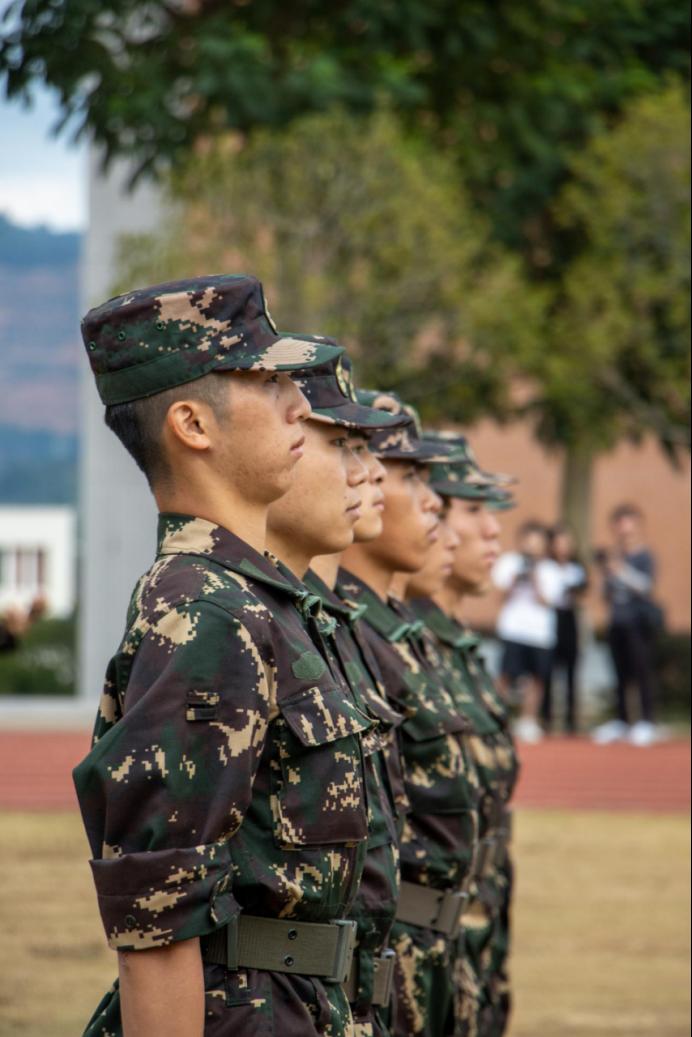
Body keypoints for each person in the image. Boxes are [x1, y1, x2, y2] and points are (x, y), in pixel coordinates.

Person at [72, 274, 374, 1037]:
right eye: (267, 382)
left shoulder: (255, 600)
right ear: (192, 424)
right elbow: (158, 919)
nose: (299, 404)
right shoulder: (203, 610)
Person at [266, 357, 409, 1036]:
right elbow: (165, 906)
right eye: (343, 444)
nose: (369, 473)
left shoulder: (319, 623)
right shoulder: (218, 613)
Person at [336, 392, 480, 1037]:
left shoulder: (392, 632)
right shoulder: (347, 629)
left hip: (430, 945)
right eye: (412, 477)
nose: (434, 505)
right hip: (379, 954)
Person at [408, 435, 520, 1037]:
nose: (491, 530)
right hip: (424, 939)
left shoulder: (449, 644)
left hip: (474, 925)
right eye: (473, 509)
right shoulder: (402, 645)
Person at [592, 503, 662, 747]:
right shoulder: (614, 557)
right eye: (619, 525)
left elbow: (646, 587)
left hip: (638, 624)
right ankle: (622, 721)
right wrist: (605, 574)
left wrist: (620, 570)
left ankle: (646, 722)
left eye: (628, 525)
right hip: (617, 622)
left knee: (641, 672)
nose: (624, 531)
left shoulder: (644, 556)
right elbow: (605, 594)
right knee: (619, 674)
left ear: (637, 526)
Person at [492, 522, 562, 743]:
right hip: (513, 629)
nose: (532, 547)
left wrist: (534, 578)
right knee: (505, 675)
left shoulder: (551, 569)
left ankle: (528, 721)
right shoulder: (509, 562)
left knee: (536, 679)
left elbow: (549, 601)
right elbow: (499, 597)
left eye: (537, 542)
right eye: (529, 542)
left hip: (539, 633)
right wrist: (515, 579)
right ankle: (497, 718)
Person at [540, 524, 588, 735]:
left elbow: (583, 597)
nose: (563, 547)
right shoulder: (545, 568)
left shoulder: (576, 569)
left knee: (571, 672)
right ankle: (546, 718)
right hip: (551, 619)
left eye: (567, 542)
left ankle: (571, 721)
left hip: (570, 618)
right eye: (559, 542)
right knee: (548, 671)